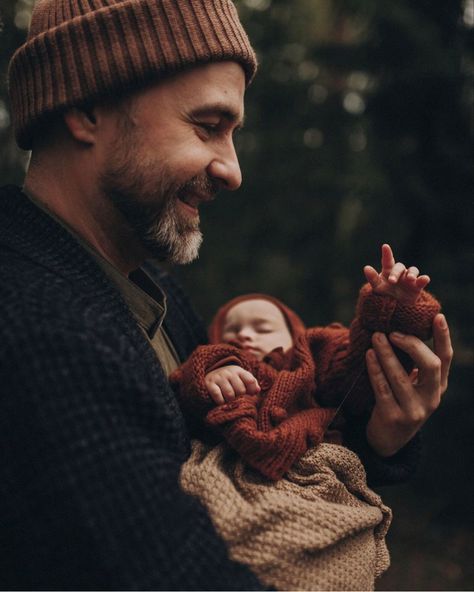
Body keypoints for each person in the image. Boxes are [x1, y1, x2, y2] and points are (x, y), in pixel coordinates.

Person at [0, 0, 452, 589]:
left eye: (233, 134)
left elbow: (237, 478)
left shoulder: (147, 292)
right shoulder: (35, 328)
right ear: (86, 108)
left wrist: (375, 440)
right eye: (208, 126)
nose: (232, 170)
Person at [172, 243, 441, 481]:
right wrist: (213, 373)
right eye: (232, 330)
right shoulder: (215, 361)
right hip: (226, 474)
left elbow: (357, 365)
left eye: (262, 328)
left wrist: (391, 309)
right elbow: (187, 381)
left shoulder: (311, 356)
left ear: (294, 336)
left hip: (316, 476)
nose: (243, 334)